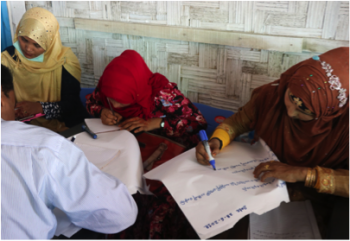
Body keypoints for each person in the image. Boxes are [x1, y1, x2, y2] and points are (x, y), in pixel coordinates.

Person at [196, 47, 350, 238]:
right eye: (291, 98)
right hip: (257, 183)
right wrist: (217, 139)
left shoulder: (345, 127)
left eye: (305, 110)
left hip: (313, 199)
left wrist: (305, 174)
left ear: (329, 112)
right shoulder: (273, 95)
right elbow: (238, 122)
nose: (291, 111)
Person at [0, 64, 138, 241]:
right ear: (3, 99)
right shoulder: (42, 148)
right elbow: (120, 213)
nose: (28, 49)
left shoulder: (65, 65)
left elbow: (72, 105)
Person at [86, 49, 207, 148]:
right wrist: (101, 111)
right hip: (130, 146)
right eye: (111, 100)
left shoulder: (162, 94)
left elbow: (198, 123)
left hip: (171, 150)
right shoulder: (107, 86)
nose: (115, 106)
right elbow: (91, 102)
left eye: (122, 101)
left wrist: (157, 123)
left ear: (137, 93)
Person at [0, 7, 89, 132]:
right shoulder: (7, 58)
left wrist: (41, 108)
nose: (28, 49)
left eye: (37, 45)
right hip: (21, 129)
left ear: (50, 42)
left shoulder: (64, 61)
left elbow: (72, 104)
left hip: (62, 129)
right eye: (24, 39)